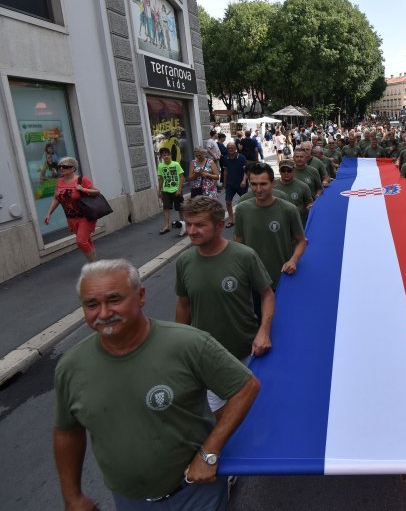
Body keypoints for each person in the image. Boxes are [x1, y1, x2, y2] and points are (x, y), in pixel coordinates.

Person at [54, 259, 260, 509]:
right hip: (128, 500)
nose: (104, 313)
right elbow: (67, 431)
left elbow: (246, 387)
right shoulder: (71, 367)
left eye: (115, 300)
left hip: (195, 493)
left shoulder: (189, 344)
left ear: (140, 296)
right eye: (92, 304)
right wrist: (72, 496)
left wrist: (210, 451)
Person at [175, 196, 274, 414]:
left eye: (200, 224)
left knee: (254, 414)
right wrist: (180, 344)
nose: (192, 231)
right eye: (188, 224)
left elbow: (267, 294)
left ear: (220, 225)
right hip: (207, 357)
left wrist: (264, 331)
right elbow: (184, 305)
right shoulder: (184, 262)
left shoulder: (244, 256)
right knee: (219, 418)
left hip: (246, 352)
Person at [234, 163, 306, 291]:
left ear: (273, 183)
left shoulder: (289, 209)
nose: (258, 189)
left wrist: (293, 261)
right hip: (253, 278)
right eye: (254, 184)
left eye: (263, 184)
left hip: (282, 276)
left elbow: (301, 241)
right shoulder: (241, 209)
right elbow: (238, 242)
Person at [44, 157, 102, 263]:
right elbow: (56, 198)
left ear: (73, 168)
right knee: (86, 240)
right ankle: (94, 263)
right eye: (60, 166)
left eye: (65, 166)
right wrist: (49, 213)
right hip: (71, 218)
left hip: (85, 216)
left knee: (81, 241)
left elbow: (97, 191)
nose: (62, 168)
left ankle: (94, 265)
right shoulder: (59, 182)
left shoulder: (82, 180)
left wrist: (82, 189)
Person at [273, 159, 314, 226]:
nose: (286, 173)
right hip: (279, 223)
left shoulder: (303, 186)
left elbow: (309, 203)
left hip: (298, 223)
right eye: (283, 170)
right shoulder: (273, 186)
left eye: (289, 170)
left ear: (294, 171)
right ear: (279, 171)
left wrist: (309, 207)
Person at [157, 147, 185, 235]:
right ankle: (166, 226)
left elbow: (181, 177)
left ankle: (184, 225)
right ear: (161, 157)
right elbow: (161, 179)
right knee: (165, 208)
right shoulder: (160, 166)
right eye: (164, 155)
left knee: (180, 208)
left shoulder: (176, 164)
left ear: (170, 155)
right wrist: (159, 190)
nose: (166, 157)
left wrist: (179, 189)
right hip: (166, 190)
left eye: (167, 155)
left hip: (176, 190)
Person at [220, 142, 248, 228]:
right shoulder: (225, 158)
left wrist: (244, 180)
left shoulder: (242, 157)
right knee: (228, 202)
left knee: (245, 202)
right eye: (229, 148)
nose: (230, 149)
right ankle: (231, 219)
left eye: (232, 148)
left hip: (241, 184)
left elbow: (246, 171)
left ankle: (245, 219)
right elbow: (225, 171)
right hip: (230, 184)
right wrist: (224, 182)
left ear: (235, 149)